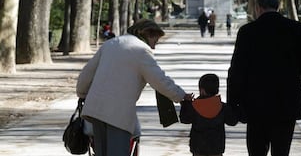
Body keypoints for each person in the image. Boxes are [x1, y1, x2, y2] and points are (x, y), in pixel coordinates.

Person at [76, 18, 194, 156]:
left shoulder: (110, 44)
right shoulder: (141, 51)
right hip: (118, 114)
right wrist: (181, 96)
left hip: (95, 111)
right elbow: (160, 80)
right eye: (155, 41)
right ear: (148, 34)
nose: (154, 47)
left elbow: (86, 75)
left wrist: (82, 93)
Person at [226, 0, 301, 156]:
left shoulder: (247, 31)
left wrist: (233, 103)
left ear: (258, 8)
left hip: (255, 104)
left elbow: (236, 70)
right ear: (278, 7)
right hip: (287, 102)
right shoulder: (296, 29)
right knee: (282, 151)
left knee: (256, 151)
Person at [180, 73, 238, 156]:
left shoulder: (194, 106)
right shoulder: (222, 107)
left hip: (198, 148)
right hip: (216, 149)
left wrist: (186, 103)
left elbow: (184, 119)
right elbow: (232, 121)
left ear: (202, 90)